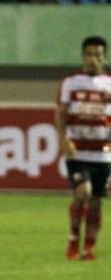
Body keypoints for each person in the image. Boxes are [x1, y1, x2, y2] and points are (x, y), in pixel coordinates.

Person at [56, 35, 111, 261]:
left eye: (97, 55)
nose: (92, 59)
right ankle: (72, 242)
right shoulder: (71, 82)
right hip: (78, 151)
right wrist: (64, 140)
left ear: (104, 57)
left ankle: (89, 247)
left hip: (103, 153)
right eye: (89, 54)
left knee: (96, 201)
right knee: (83, 193)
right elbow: (61, 115)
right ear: (83, 56)